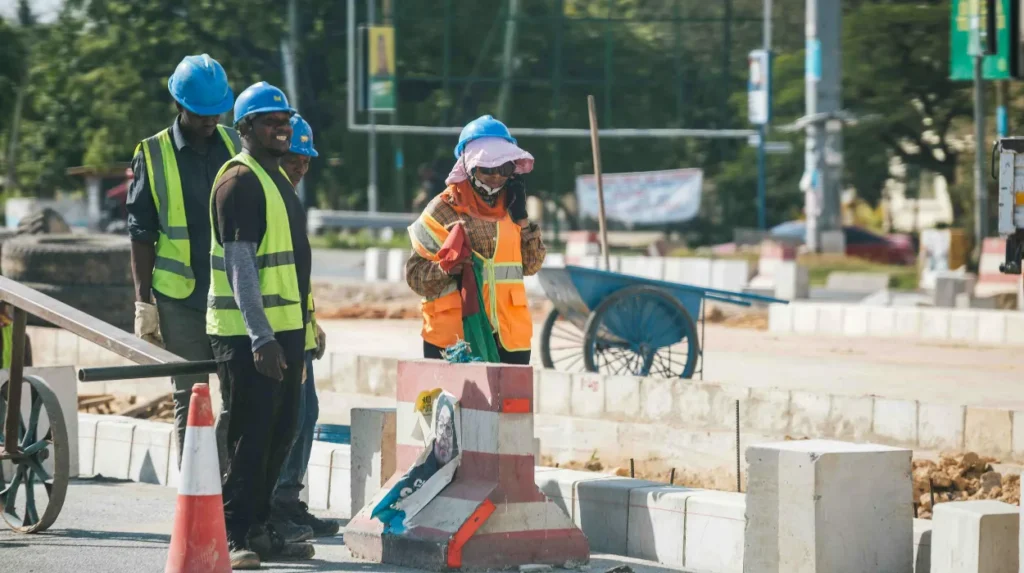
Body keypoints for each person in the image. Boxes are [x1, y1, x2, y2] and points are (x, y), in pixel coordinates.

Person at [206, 81, 314, 568]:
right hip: (249, 334)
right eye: (271, 121)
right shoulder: (240, 181)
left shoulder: (276, 181)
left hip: (286, 333)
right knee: (250, 436)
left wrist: (303, 337)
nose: (282, 128)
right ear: (245, 128)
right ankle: (233, 534)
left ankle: (259, 524)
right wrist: (261, 335)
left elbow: (291, 268)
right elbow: (240, 266)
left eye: (285, 120)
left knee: (282, 431)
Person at [126, 54, 240, 467]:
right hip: (180, 299)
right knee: (192, 397)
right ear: (180, 106)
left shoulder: (236, 144)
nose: (211, 120)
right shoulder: (152, 154)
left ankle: (226, 492)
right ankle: (194, 497)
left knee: (238, 396)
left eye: (216, 112)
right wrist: (144, 302)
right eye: (201, 113)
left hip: (230, 294)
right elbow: (141, 234)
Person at [405, 115, 546, 363]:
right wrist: (446, 268)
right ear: (468, 166)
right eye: (487, 168)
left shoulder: (514, 208)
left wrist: (522, 219)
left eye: (503, 168)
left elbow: (532, 265)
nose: (496, 177)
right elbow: (416, 278)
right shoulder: (441, 210)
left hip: (508, 338)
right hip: (453, 341)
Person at [269, 114, 341, 541]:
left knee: (305, 413)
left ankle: (287, 501)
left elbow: (296, 278)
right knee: (286, 418)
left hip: (296, 329)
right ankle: (275, 504)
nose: (300, 168)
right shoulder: (268, 197)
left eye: (306, 161)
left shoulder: (289, 199)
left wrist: (312, 324)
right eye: (295, 159)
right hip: (272, 333)